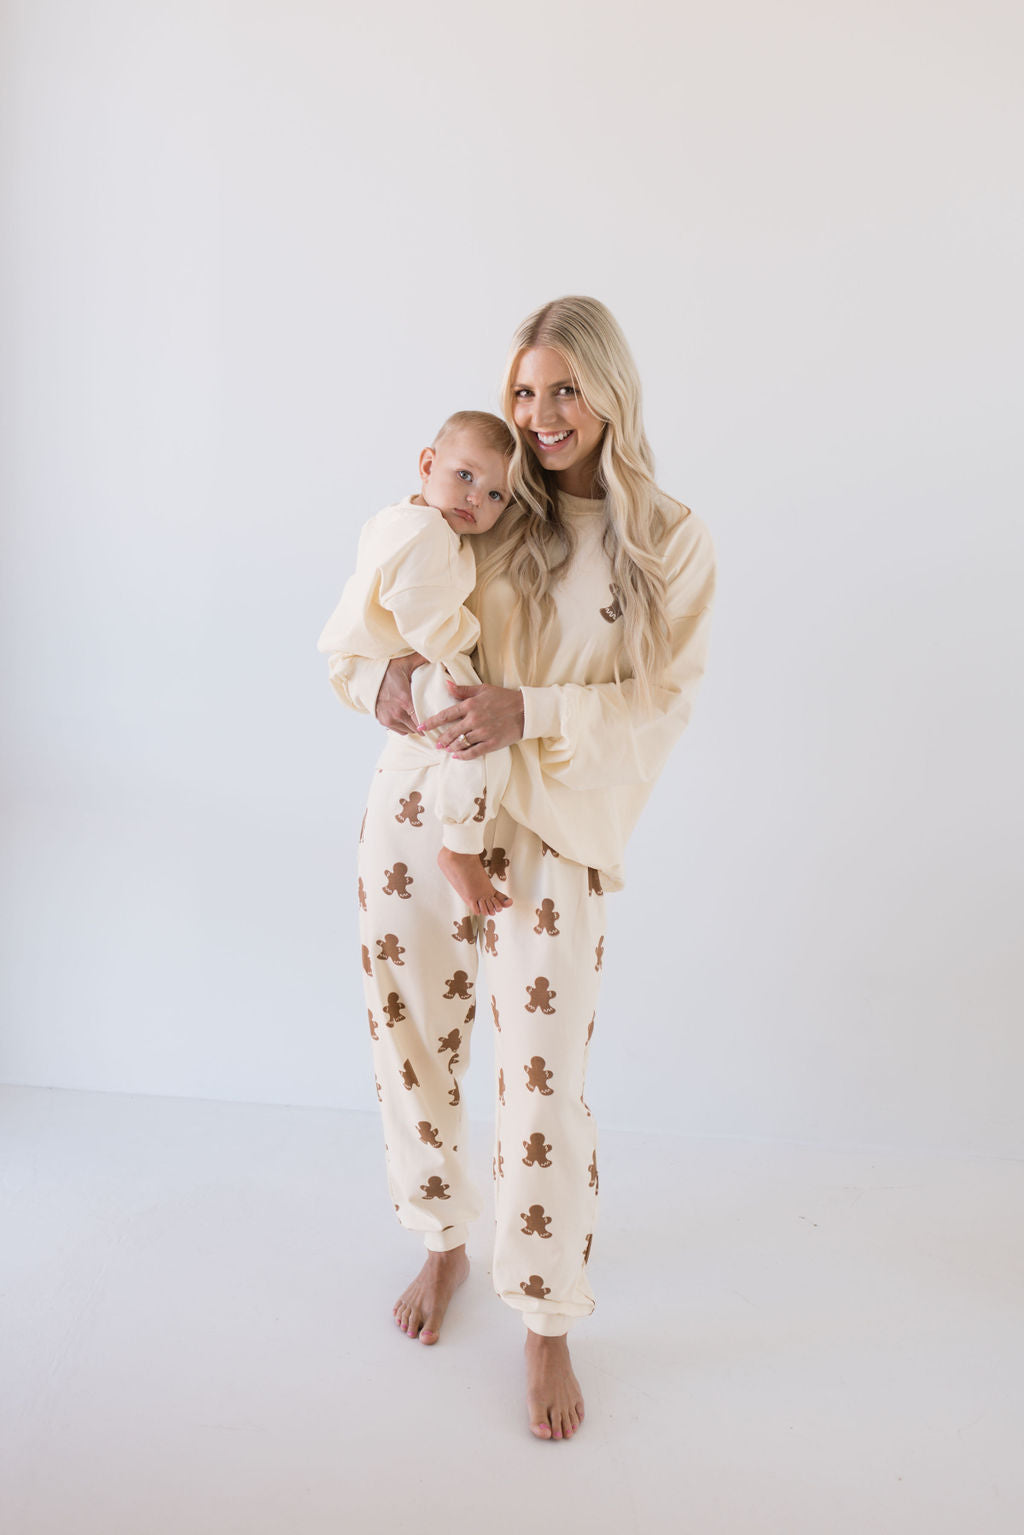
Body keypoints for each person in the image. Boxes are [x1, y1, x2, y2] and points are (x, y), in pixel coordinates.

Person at [321, 296, 716, 1442]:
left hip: (551, 834)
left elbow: (661, 700)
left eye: (564, 389)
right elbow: (365, 631)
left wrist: (525, 709)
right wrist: (379, 687)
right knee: (410, 1029)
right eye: (524, 392)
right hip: (418, 802)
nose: (541, 415)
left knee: (540, 1080)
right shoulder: (478, 501)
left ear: (608, 390)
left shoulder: (666, 536)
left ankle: (544, 1311)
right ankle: (441, 1237)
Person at [317, 411, 517, 915]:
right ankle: (461, 848)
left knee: (467, 743)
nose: (476, 498)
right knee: (478, 742)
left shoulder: (404, 520)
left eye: (496, 495)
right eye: (465, 476)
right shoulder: (425, 533)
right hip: (412, 663)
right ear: (428, 464)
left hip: (385, 660)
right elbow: (425, 622)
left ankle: (458, 845)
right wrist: (469, 635)